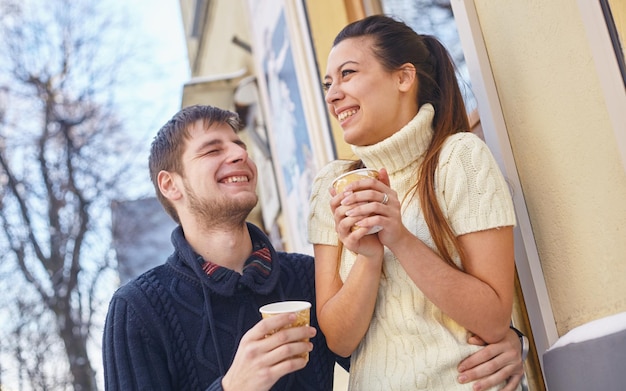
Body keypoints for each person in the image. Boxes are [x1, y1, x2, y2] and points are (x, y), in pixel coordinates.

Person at [102, 104, 523, 391]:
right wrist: (235, 387)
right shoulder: (137, 309)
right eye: (213, 149)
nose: (238, 156)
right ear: (169, 184)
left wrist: (502, 341)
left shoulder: (308, 276)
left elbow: (403, 333)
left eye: (240, 146)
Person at [308, 15, 523, 391]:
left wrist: (399, 237)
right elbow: (340, 340)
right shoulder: (333, 185)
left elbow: (492, 320)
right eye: (328, 83)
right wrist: (369, 257)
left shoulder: (460, 159)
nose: (332, 94)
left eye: (348, 74)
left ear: (404, 78)